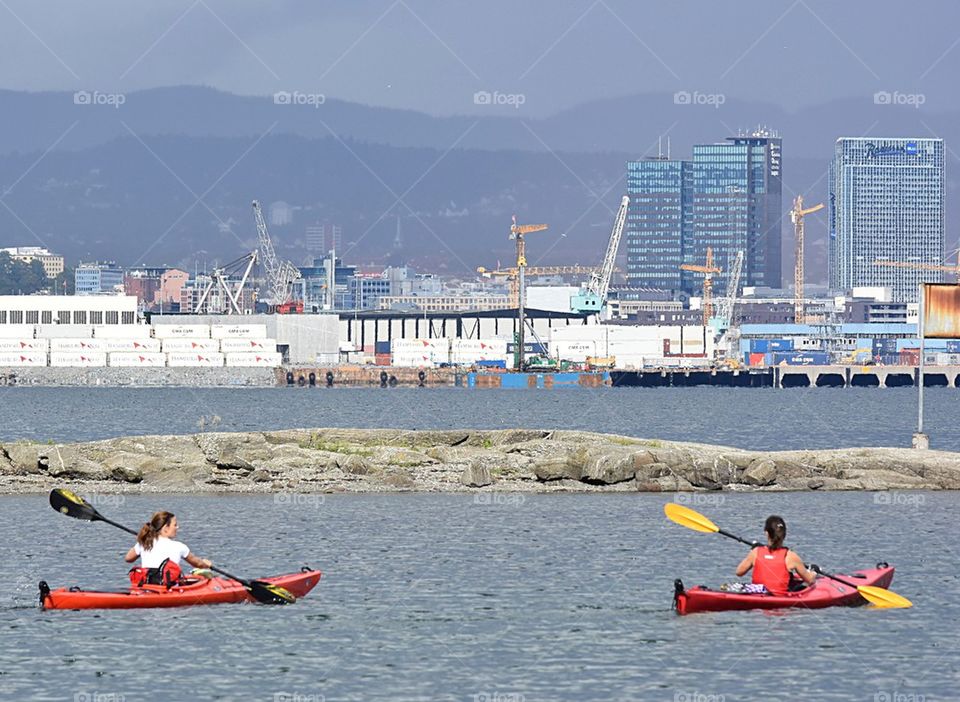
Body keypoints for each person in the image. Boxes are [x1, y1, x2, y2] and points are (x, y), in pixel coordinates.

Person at [124, 511, 212, 586]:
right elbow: (198, 564)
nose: (177, 527)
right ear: (166, 528)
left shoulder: (145, 543)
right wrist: (206, 564)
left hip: (147, 586)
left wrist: (141, 540)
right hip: (169, 588)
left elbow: (128, 558)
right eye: (175, 525)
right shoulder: (179, 546)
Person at [735, 515, 816, 595]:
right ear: (784, 535)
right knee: (802, 585)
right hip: (780, 598)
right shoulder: (791, 556)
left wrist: (754, 550)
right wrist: (813, 573)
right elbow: (810, 580)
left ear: (766, 533)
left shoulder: (755, 552)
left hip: (758, 595)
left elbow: (739, 572)